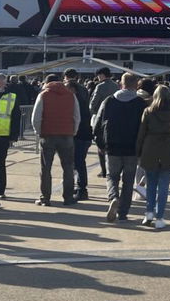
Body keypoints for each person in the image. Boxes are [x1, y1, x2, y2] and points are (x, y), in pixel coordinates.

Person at [96, 72, 147, 222]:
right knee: (128, 180)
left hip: (112, 146)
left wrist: (100, 143)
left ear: (121, 84)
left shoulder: (109, 101)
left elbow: (98, 123)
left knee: (112, 176)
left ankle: (113, 197)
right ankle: (123, 212)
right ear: (136, 85)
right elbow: (145, 127)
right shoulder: (140, 103)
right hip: (132, 148)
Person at [135, 85, 170, 229]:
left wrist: (138, 151)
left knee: (151, 184)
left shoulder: (148, 111)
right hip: (168, 148)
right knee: (164, 186)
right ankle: (160, 217)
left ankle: (149, 213)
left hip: (150, 148)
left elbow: (141, 133)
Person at [31, 73, 79, 207]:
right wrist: (73, 131)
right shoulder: (71, 95)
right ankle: (68, 197)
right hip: (67, 135)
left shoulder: (43, 95)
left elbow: (36, 117)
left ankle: (45, 198)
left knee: (46, 168)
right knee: (68, 167)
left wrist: (39, 132)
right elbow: (76, 116)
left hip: (48, 134)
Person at [64, 69, 93, 201]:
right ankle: (80, 187)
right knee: (78, 162)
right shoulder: (83, 95)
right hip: (84, 133)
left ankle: (82, 189)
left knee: (79, 162)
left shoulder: (75, 102)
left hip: (79, 134)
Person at [88, 67, 119, 180]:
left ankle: (104, 170)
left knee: (100, 146)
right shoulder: (116, 86)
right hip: (115, 118)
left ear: (102, 75)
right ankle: (113, 169)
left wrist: (92, 112)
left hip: (101, 118)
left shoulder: (100, 86)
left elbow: (93, 104)